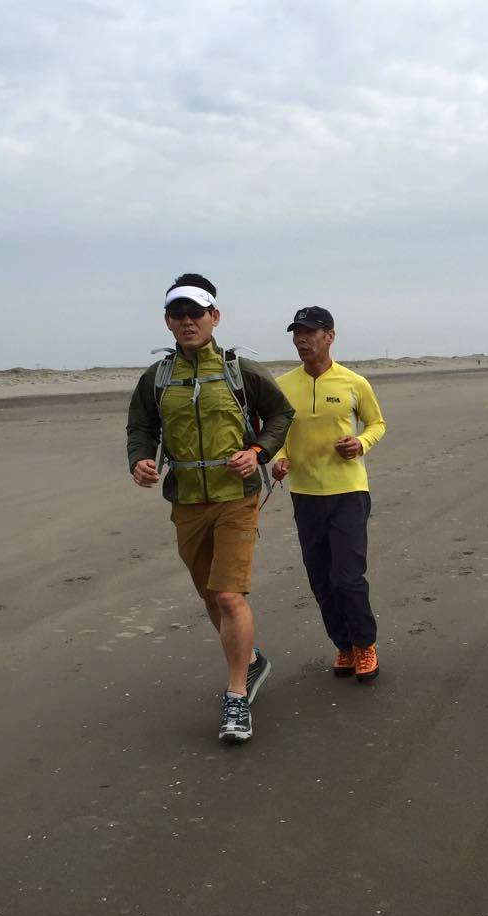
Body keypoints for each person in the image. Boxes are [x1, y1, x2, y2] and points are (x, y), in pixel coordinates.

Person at [127, 273, 295, 742]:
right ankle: (251, 659)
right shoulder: (157, 377)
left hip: (236, 498)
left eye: (196, 313)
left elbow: (281, 413)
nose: (187, 321)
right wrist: (139, 459)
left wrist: (258, 451)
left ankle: (237, 695)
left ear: (214, 316)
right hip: (186, 501)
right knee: (208, 594)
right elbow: (141, 426)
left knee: (227, 595)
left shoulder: (241, 370)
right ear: (167, 321)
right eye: (177, 314)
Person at [272, 306, 386, 681]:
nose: (301, 340)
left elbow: (376, 423)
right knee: (320, 578)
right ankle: (344, 645)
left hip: (348, 491)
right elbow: (274, 433)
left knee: (348, 576)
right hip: (305, 493)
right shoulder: (283, 385)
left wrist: (360, 443)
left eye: (309, 332)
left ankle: (365, 645)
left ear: (330, 337)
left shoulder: (353, 382)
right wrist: (279, 458)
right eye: (297, 333)